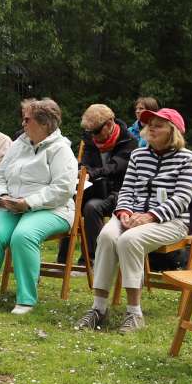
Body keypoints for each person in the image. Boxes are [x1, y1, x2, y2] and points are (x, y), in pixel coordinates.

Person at [75, 107, 192, 332]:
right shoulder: (138, 155)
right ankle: (98, 308)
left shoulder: (187, 158)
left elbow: (182, 198)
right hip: (131, 216)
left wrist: (150, 216)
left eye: (158, 125)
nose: (151, 128)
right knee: (106, 235)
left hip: (170, 222)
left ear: (173, 132)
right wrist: (123, 212)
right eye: (149, 124)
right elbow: (127, 189)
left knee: (128, 240)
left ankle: (134, 313)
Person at [0, 98, 78, 315]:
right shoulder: (19, 145)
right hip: (12, 205)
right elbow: (0, 175)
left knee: (23, 235)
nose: (22, 123)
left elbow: (63, 188)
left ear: (44, 123)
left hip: (52, 209)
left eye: (27, 119)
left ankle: (26, 299)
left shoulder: (61, 150)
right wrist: (2, 197)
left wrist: (29, 203)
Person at [65, 103, 133, 264]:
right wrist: (82, 171)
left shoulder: (129, 141)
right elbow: (85, 163)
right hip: (95, 189)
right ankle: (63, 260)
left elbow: (115, 167)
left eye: (95, 131)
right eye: (89, 132)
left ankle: (93, 260)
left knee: (91, 207)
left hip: (120, 193)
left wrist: (89, 174)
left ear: (109, 124)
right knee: (69, 204)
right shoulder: (90, 139)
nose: (93, 136)